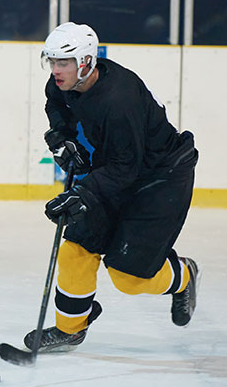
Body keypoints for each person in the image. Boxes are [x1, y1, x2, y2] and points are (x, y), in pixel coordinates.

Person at [25, 22, 200, 352]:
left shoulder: (119, 99)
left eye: (63, 63)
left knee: (129, 277)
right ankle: (70, 330)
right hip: (118, 169)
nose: (55, 71)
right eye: (52, 62)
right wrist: (62, 137)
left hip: (160, 178)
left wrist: (83, 193)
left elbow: (127, 169)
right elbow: (56, 106)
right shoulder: (64, 82)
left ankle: (183, 275)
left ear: (86, 63)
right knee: (75, 248)